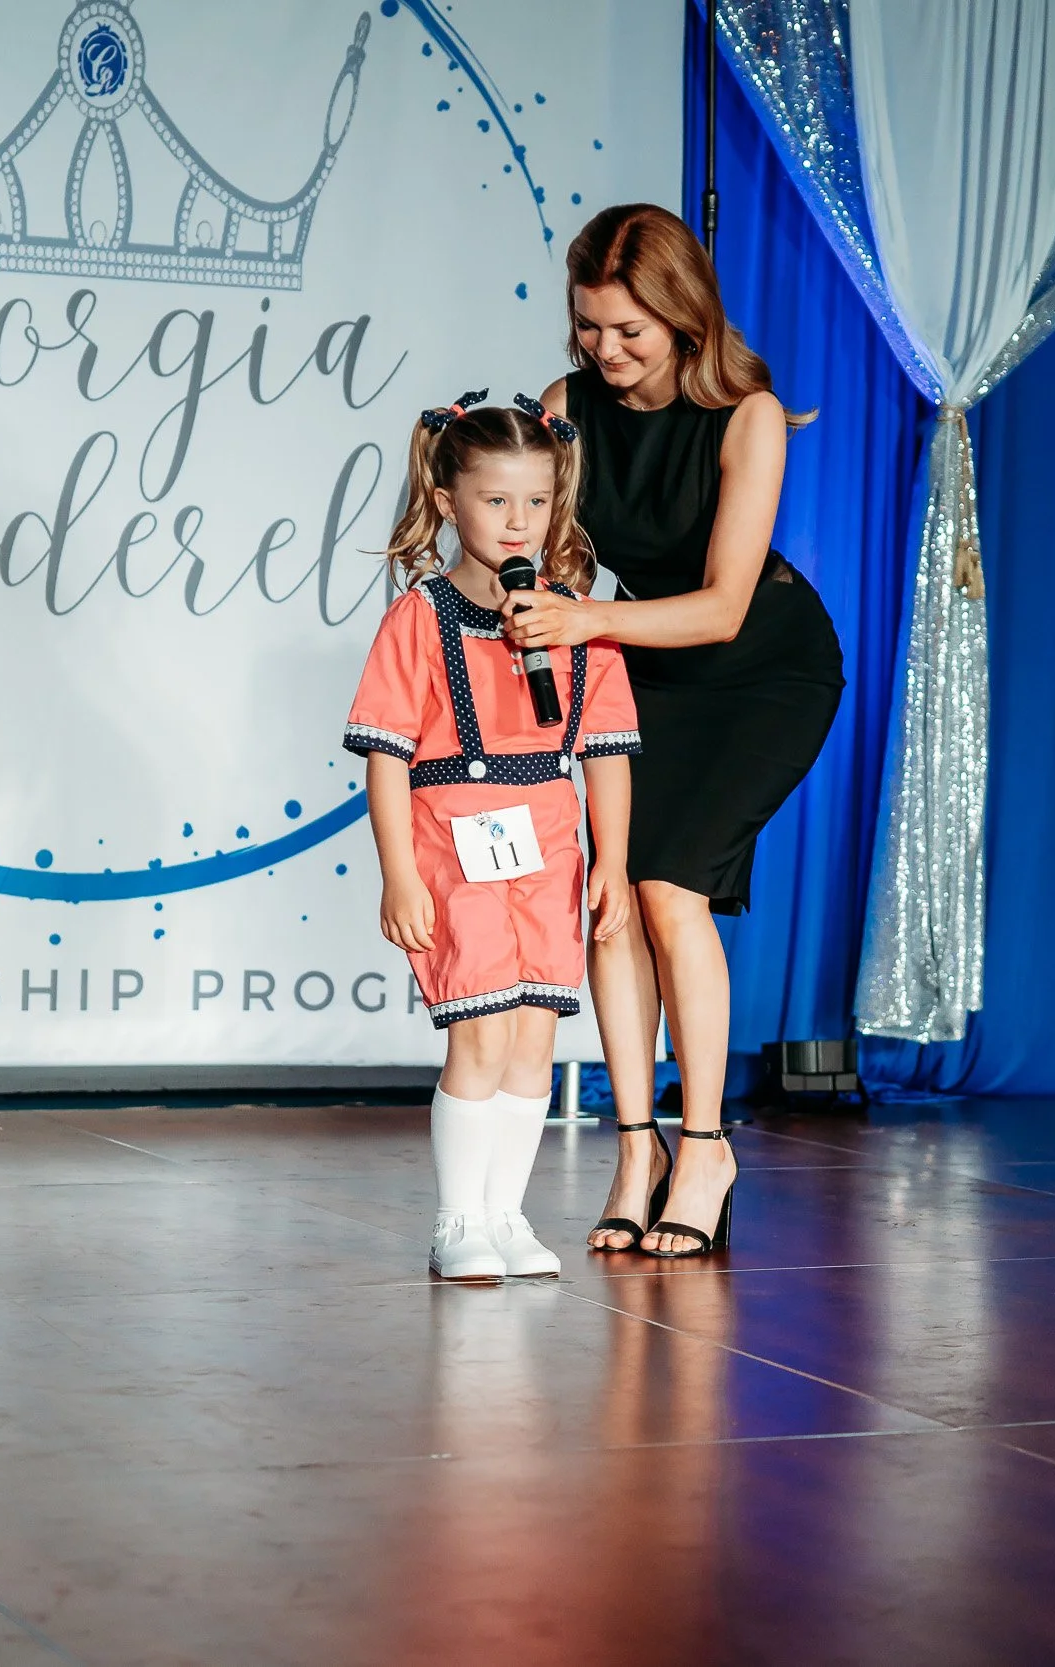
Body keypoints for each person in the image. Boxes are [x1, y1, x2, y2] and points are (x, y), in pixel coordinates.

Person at [503, 204, 844, 1259]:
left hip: (763, 671)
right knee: (610, 899)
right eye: (589, 327)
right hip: (641, 667)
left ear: (684, 319)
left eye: (629, 332)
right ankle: (637, 1147)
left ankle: (707, 1146)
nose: (605, 352)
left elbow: (723, 606)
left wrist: (586, 614)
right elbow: (552, 559)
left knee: (667, 886)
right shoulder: (566, 410)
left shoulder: (746, 414)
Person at [345, 391, 642, 1281]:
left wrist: (614, 861)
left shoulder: (577, 620)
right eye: (496, 500)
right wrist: (399, 873)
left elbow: (607, 753)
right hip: (453, 835)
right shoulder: (418, 618)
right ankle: (457, 1219)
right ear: (448, 501)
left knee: (534, 1036)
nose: (519, 522)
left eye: (538, 502)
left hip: (548, 838)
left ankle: (507, 1214)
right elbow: (388, 757)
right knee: (477, 1030)